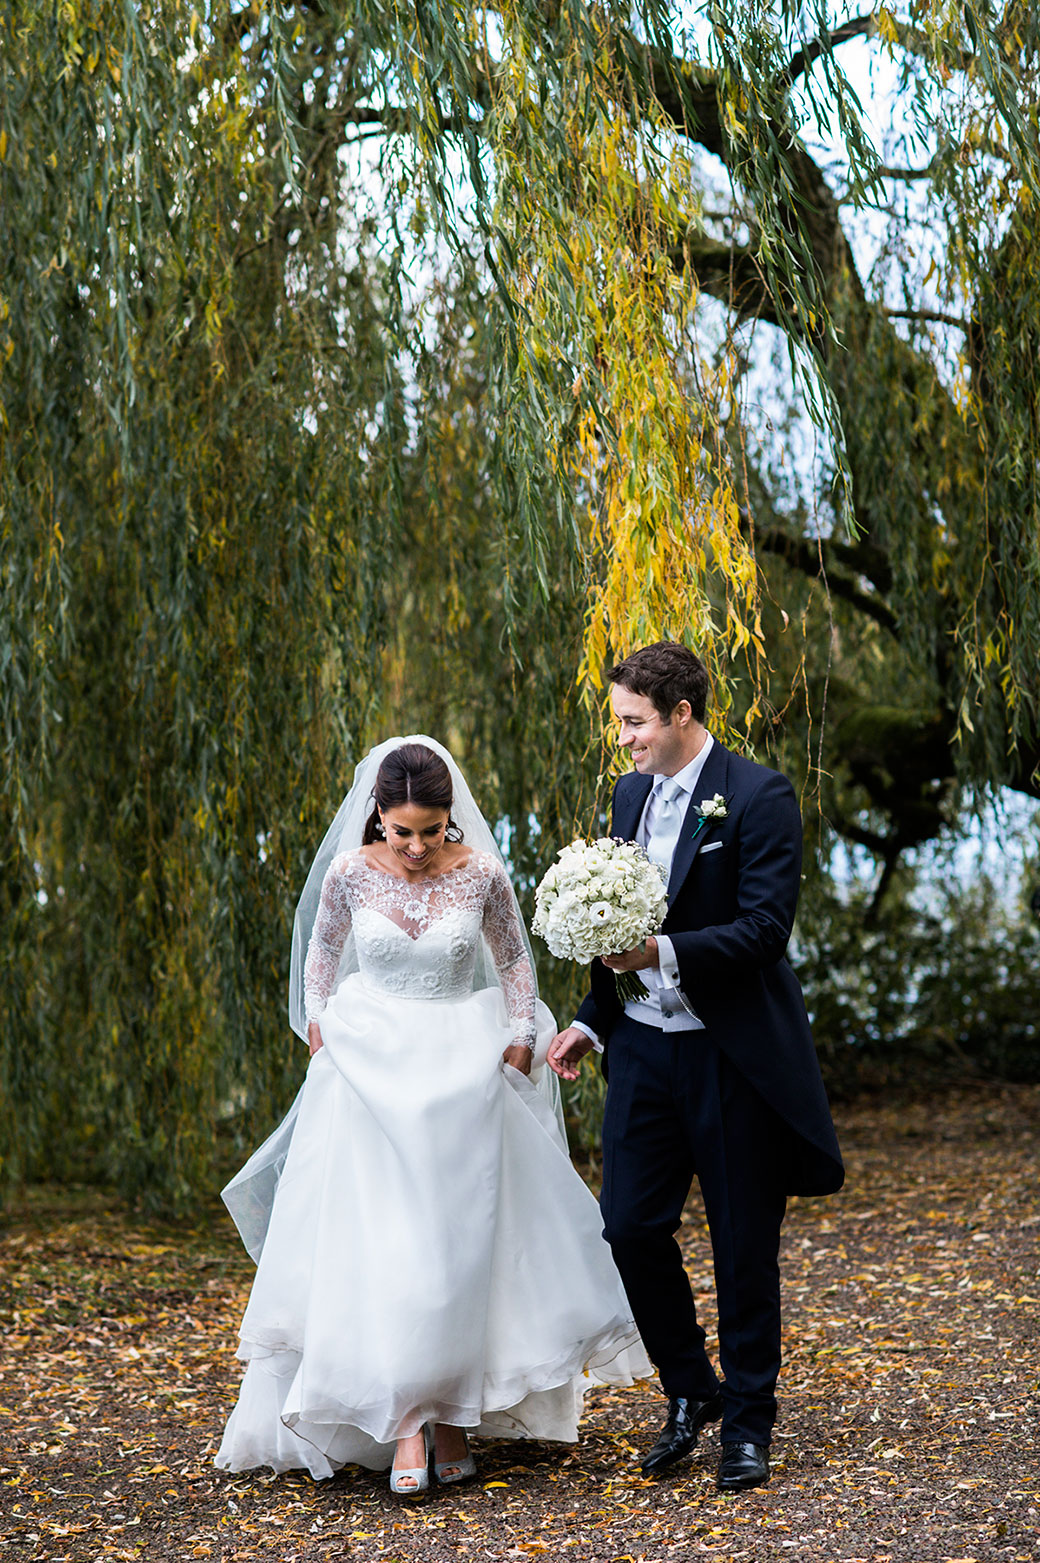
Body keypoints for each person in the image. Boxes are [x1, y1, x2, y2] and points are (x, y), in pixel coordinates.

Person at [215, 736, 649, 1494]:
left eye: (432, 828)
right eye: (402, 829)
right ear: (378, 814)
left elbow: (515, 961)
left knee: (460, 1246)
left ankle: (454, 1413)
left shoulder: (480, 871)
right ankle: (411, 1420)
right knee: (391, 1245)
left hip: (462, 1068)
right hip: (371, 1071)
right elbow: (320, 961)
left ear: (452, 817)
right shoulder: (351, 873)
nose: (417, 846)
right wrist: (322, 1029)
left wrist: (521, 1034)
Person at [548, 643, 844, 1493]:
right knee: (630, 1228)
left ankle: (748, 1421)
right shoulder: (630, 794)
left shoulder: (759, 795)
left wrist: (663, 949)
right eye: (620, 723)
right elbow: (609, 925)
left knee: (744, 1244)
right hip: (643, 1052)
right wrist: (588, 1021)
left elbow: (763, 932)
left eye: (635, 722)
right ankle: (692, 1390)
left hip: (731, 1056)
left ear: (682, 713)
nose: (626, 740)